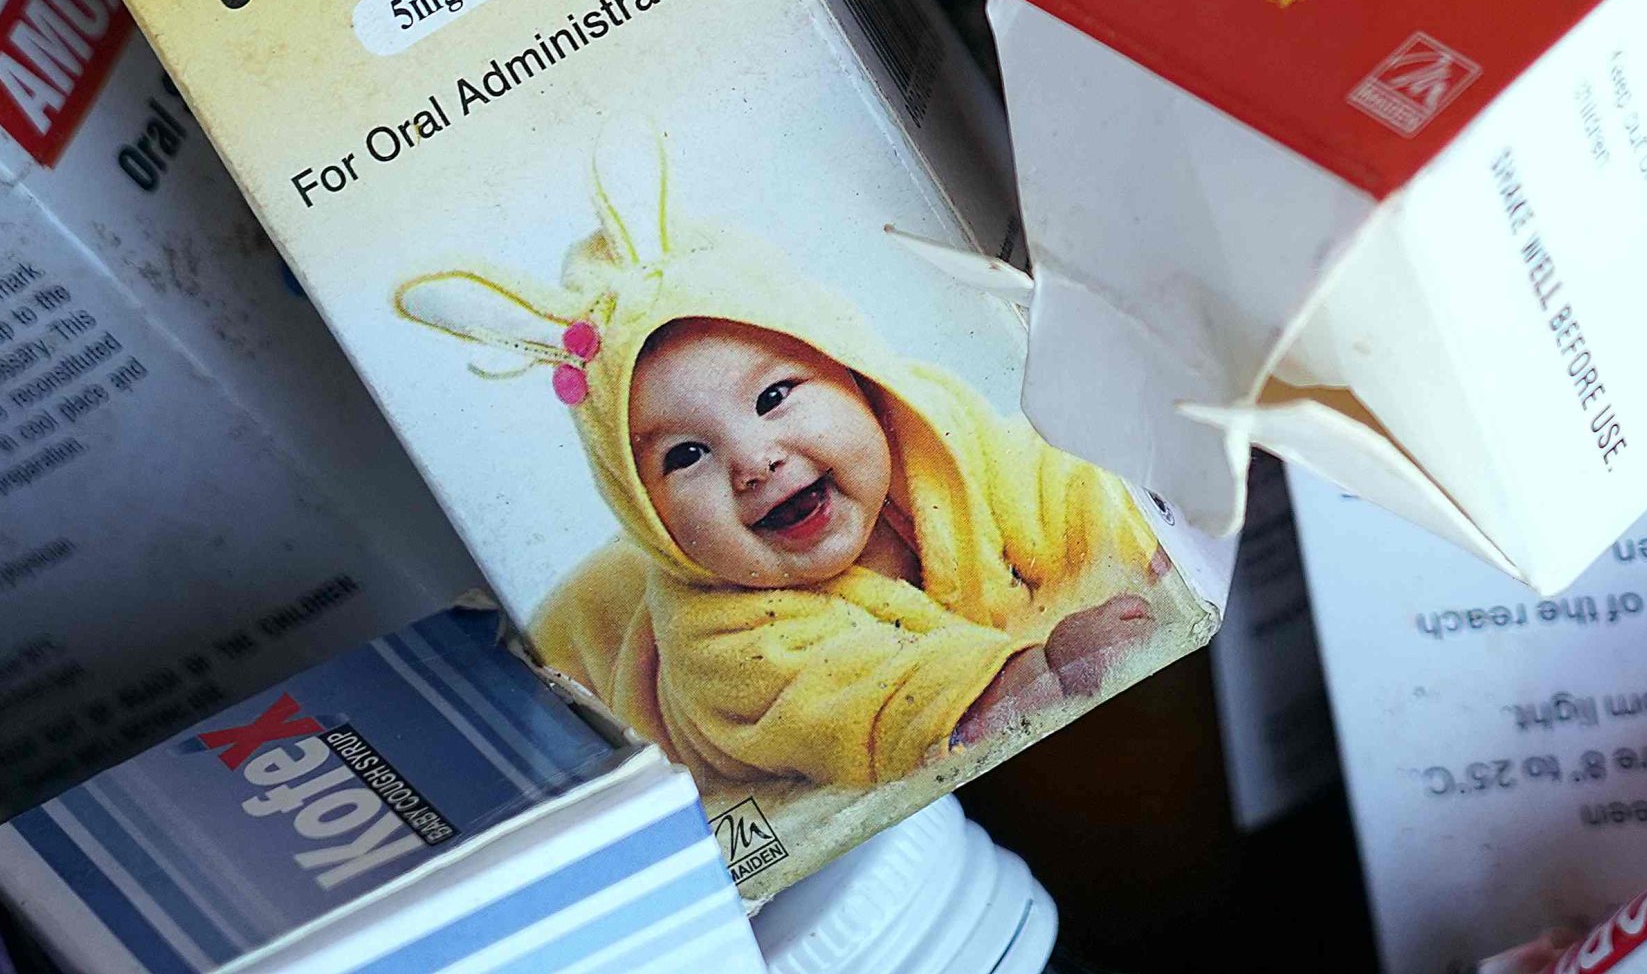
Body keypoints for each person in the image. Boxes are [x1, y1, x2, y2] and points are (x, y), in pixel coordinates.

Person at [399, 170, 1176, 808]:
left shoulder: (935, 435)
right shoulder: (719, 639)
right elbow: (854, 698)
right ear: (645, 515)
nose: (753, 460)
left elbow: (1064, 488)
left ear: (858, 379)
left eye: (773, 397)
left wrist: (1151, 539)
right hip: (569, 664)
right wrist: (1013, 681)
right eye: (686, 456)